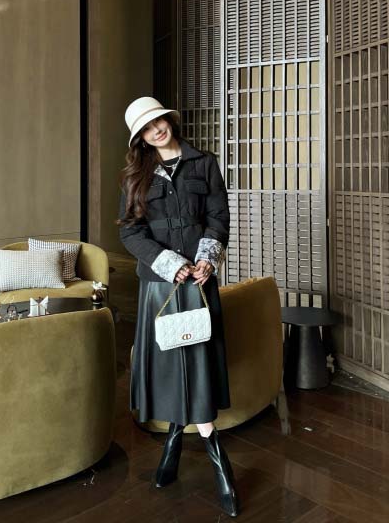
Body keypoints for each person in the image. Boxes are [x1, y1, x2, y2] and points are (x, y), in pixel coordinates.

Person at [116, 96, 239, 518]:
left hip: (200, 281)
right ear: (141, 137)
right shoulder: (134, 177)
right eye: (147, 128)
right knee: (172, 366)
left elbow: (218, 217)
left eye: (159, 121)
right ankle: (189, 446)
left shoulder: (204, 163)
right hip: (162, 284)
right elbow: (131, 233)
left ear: (169, 120)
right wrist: (171, 264)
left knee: (197, 363)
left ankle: (201, 453)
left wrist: (207, 259)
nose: (157, 130)